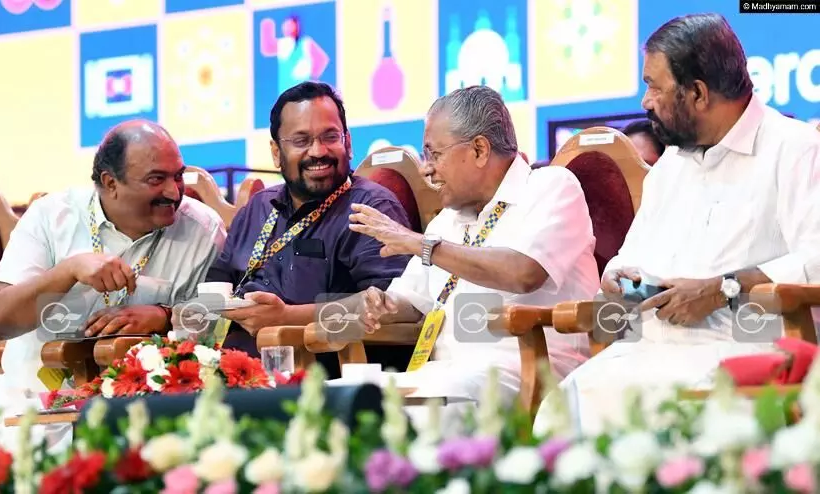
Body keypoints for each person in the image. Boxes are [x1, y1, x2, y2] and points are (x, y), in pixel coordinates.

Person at [535, 13, 820, 435]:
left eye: (654, 86)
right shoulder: (670, 166)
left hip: (741, 350)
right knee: (560, 410)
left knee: (665, 409)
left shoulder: (795, 149)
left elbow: (815, 260)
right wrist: (618, 278)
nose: (645, 101)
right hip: (646, 350)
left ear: (698, 93)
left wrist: (722, 289)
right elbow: (630, 259)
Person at [350, 85, 599, 431]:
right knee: (346, 401)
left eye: (434, 154)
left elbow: (523, 273)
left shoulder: (551, 187)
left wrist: (424, 246)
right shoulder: (447, 220)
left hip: (527, 369)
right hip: (447, 372)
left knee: (419, 414)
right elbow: (411, 301)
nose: (427, 170)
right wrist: (383, 303)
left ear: (479, 149)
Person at [0, 120, 226, 452]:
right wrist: (68, 271)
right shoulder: (51, 217)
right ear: (110, 182)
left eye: (177, 176)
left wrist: (165, 315)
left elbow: (219, 324)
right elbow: (0, 320)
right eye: (156, 179)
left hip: (148, 420)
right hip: (30, 412)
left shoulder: (203, 230)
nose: (174, 192)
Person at [203, 81, 414, 378]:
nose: (318, 151)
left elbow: (392, 305)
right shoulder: (258, 207)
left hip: (321, 374)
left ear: (348, 143)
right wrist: (199, 314)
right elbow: (218, 282)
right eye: (301, 140)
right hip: (229, 371)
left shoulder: (370, 209)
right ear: (276, 152)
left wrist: (287, 318)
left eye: (330, 137)